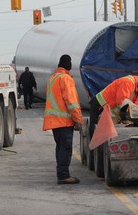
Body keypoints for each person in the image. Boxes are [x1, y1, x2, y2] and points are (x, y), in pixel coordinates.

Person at [42, 54, 84, 185]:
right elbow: (71, 102)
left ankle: (61, 173)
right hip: (64, 122)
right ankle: (63, 175)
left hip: (54, 121)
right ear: (68, 65)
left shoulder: (53, 78)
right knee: (65, 148)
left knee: (60, 147)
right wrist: (78, 120)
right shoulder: (66, 79)